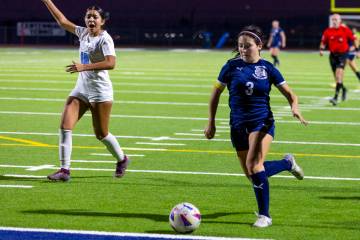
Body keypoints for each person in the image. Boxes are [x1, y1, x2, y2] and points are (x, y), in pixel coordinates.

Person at [204, 25, 307, 228]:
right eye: (240, 46)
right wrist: (211, 122)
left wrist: (295, 108)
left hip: (262, 122)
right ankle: (287, 163)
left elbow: (291, 94)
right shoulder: (230, 67)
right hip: (237, 124)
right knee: (252, 174)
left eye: (248, 46)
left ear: (259, 45)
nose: (243, 50)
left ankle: (265, 216)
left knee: (254, 166)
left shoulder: (268, 68)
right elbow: (215, 95)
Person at [41, 0, 129, 181]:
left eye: (95, 17)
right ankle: (64, 170)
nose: (91, 19)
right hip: (81, 89)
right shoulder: (83, 33)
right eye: (88, 16)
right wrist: (47, 1)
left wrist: (84, 67)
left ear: (102, 21)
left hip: (100, 91)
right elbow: (63, 22)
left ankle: (122, 159)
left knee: (101, 134)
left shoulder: (105, 39)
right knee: (65, 126)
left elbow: (111, 63)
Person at [320, 14, 355, 106]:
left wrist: (355, 49)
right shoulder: (328, 31)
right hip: (332, 56)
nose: (334, 21)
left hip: (343, 55)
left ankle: (335, 97)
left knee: (339, 75)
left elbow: (352, 39)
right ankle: (344, 89)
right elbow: (323, 42)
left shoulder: (345, 30)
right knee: (337, 78)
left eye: (336, 19)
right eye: (333, 19)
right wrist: (321, 49)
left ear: (340, 21)